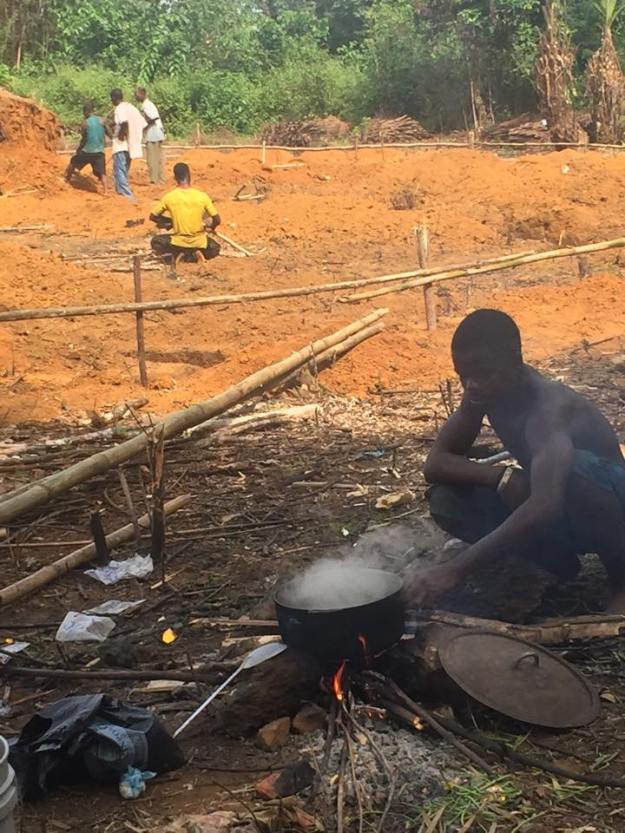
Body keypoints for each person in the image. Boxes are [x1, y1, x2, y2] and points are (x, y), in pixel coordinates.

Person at [407, 309, 625, 612]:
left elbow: (546, 504)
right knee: (447, 499)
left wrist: (454, 569)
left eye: (482, 373)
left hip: (611, 504)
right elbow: (436, 464)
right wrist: (499, 476)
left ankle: (621, 582)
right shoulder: (481, 394)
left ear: (514, 361)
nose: (471, 385)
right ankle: (556, 562)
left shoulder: (548, 408)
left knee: (578, 476)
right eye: (462, 376)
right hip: (559, 502)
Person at [149, 162, 221, 265]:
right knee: (215, 248)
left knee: (156, 242)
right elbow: (217, 219)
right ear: (189, 175)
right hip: (199, 241)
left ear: (175, 178)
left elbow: (153, 216)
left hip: (178, 241)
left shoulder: (169, 197)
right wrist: (212, 227)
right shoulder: (202, 196)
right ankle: (194, 254)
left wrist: (170, 222)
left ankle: (181, 253)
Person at [64, 103, 111, 194]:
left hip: (87, 151)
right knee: (102, 172)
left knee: (73, 162)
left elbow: (84, 139)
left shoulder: (85, 123)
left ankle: (67, 180)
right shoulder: (102, 120)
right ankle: (106, 191)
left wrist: (78, 150)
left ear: (86, 112)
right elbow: (109, 132)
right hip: (99, 152)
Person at [110, 89, 146, 199]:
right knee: (123, 170)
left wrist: (121, 136)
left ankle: (127, 196)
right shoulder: (131, 107)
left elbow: (124, 122)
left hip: (121, 145)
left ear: (114, 98)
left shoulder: (120, 108)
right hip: (130, 144)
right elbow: (141, 122)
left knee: (119, 170)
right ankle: (121, 193)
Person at [135, 87, 165, 185]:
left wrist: (142, 124)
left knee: (152, 158)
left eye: (136, 94)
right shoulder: (148, 104)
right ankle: (160, 179)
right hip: (156, 132)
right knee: (157, 157)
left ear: (142, 94)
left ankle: (155, 180)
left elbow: (152, 118)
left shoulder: (146, 105)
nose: (135, 96)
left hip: (153, 133)